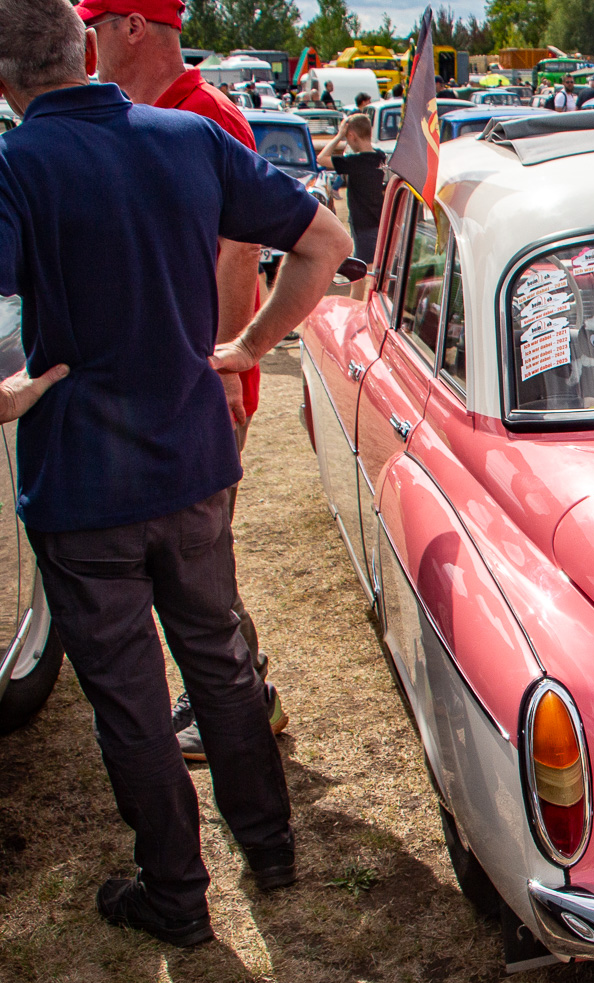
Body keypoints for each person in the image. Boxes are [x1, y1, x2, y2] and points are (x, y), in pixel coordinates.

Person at [0, 0, 349, 946]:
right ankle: (270, 850)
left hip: (83, 486)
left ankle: (177, 892)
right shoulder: (187, 137)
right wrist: (247, 345)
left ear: (4, 80)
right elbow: (327, 242)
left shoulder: (16, 165)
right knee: (220, 664)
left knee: (132, 696)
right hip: (192, 458)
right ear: (84, 46)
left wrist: (12, 390)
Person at [86, 0, 286, 762]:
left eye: (94, 28)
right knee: (194, 554)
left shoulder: (205, 113)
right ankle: (224, 693)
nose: (88, 46)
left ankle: (244, 697)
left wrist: (228, 365)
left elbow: (239, 253)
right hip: (174, 383)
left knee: (201, 558)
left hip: (202, 381)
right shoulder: (153, 112)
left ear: (133, 28)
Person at [317, 112, 384, 263]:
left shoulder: (354, 162)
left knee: (362, 271)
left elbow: (321, 158)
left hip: (362, 223)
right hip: (380, 220)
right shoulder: (380, 157)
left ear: (352, 135)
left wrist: (339, 136)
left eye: (347, 138)